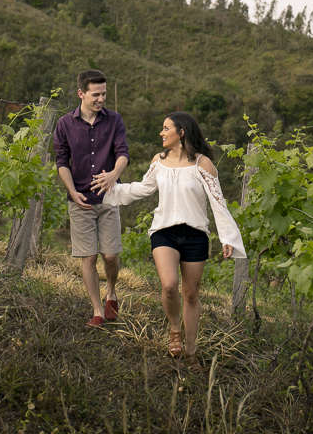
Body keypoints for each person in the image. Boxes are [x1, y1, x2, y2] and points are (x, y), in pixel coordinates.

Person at [92, 111, 246, 372]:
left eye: (166, 129)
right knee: (170, 286)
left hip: (195, 235)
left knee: (191, 294)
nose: (161, 133)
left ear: (181, 132)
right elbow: (143, 188)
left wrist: (227, 237)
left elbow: (218, 203)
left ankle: (190, 351)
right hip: (163, 231)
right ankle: (175, 330)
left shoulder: (203, 165)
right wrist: (111, 187)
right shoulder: (159, 161)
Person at [53, 69, 130, 327]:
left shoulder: (115, 120)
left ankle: (111, 291)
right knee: (89, 257)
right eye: (96, 94)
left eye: (104, 93)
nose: (101, 99)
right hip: (80, 201)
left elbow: (123, 153)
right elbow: (62, 161)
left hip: (108, 198)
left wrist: (114, 175)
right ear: (81, 94)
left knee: (109, 256)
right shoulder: (64, 124)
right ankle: (97, 310)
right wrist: (72, 191)